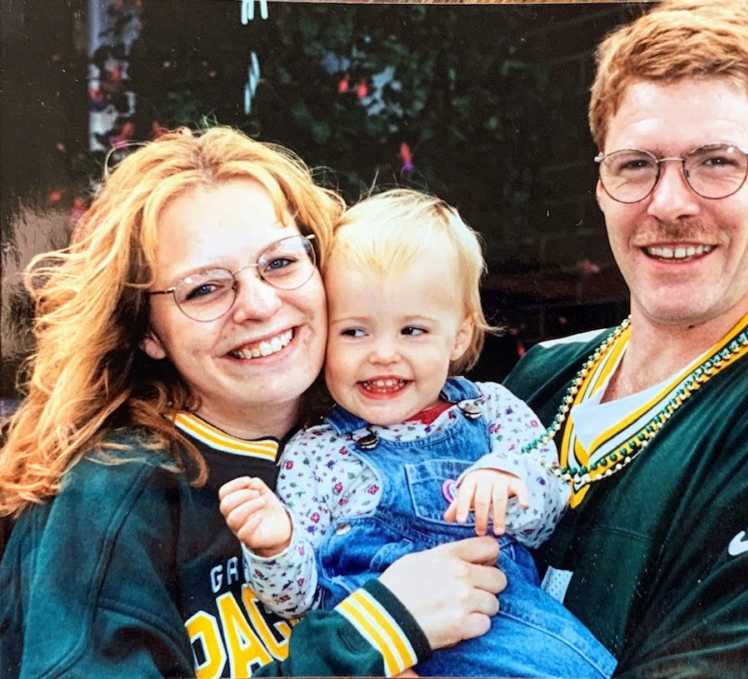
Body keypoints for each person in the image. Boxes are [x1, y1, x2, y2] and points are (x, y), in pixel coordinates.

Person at [0, 127, 509, 678]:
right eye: (204, 288)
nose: (260, 305)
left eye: (280, 262)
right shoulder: (113, 492)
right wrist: (372, 634)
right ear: (148, 331)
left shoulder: (392, 435)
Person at [505, 0, 748, 676]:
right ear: (601, 183)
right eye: (636, 164)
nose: (669, 203)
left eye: (716, 161)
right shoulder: (540, 377)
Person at [219, 189, 616, 678]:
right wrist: (275, 547)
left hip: (507, 637)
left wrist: (508, 476)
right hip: (385, 652)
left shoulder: (490, 411)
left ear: (459, 336)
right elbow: (301, 600)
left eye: (412, 331)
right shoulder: (316, 453)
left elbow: (549, 510)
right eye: (355, 332)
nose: (383, 353)